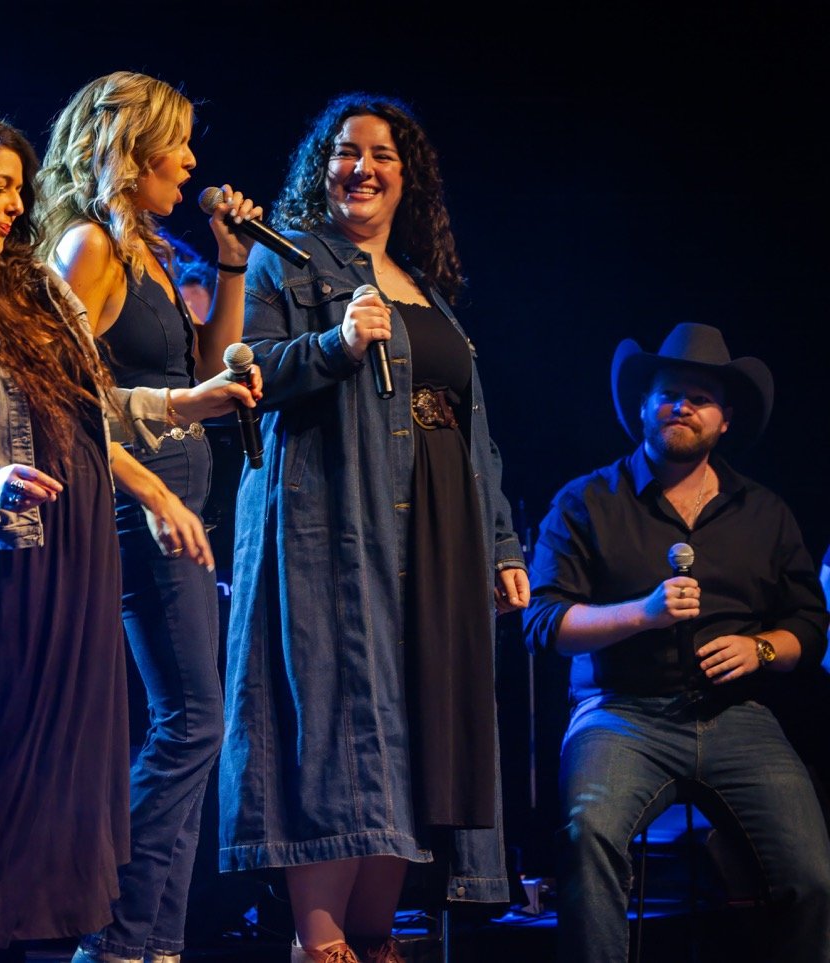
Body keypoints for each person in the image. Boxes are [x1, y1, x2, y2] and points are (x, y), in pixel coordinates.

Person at [0, 107, 249, 963]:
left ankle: (12, 944)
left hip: (75, 551)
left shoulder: (32, 291)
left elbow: (89, 409)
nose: (14, 206)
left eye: (19, 189)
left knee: (48, 790)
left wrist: (184, 405)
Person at [217, 93, 530, 963]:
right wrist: (336, 345)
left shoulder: (423, 285)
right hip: (334, 518)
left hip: (440, 525)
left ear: (407, 178)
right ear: (321, 169)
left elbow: (473, 427)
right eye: (345, 153)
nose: (361, 169)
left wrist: (501, 542)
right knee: (339, 708)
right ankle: (319, 939)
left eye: (382, 155)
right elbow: (244, 375)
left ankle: (373, 934)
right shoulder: (286, 258)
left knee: (412, 717)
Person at [36, 71, 263, 963]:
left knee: (198, 726)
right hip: (138, 510)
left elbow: (208, 365)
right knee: (192, 722)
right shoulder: (89, 247)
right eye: (179, 144)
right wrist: (153, 493)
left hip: (183, 506)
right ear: (131, 151)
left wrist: (232, 260)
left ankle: (157, 942)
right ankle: (115, 937)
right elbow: (61, 399)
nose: (194, 162)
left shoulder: (151, 250)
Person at [523, 322, 830, 963]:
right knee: (587, 837)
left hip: (736, 716)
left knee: (812, 876)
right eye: (669, 394)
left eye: (701, 398)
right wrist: (642, 614)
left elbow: (809, 623)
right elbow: (546, 624)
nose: (682, 407)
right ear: (643, 406)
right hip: (619, 713)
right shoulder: (585, 501)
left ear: (725, 420)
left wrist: (760, 649)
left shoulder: (765, 512)